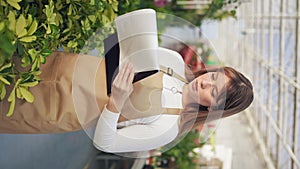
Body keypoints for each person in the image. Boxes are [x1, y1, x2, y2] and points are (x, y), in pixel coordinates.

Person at [93, 60, 254, 153]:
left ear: (214, 109)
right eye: (213, 76)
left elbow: (104, 144)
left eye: (214, 92)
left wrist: (116, 101)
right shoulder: (174, 63)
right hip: (82, 66)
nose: (205, 82)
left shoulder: (168, 128)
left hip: (76, 105)